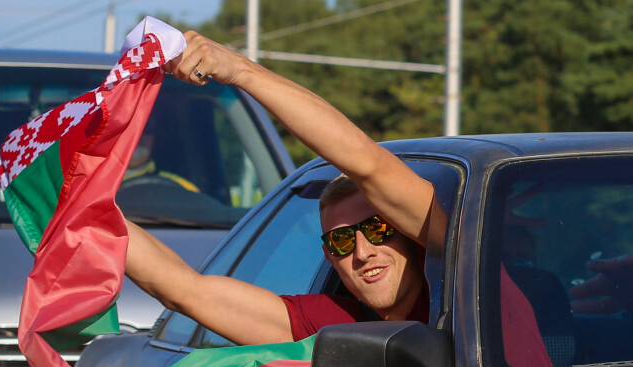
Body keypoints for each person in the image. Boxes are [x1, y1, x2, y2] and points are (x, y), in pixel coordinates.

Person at [124, 31, 437, 346]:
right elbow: (185, 291)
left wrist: (240, 70)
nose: (363, 252)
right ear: (330, 257)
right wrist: (81, 203)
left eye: (378, 228)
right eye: (341, 240)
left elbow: (368, 164)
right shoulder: (338, 326)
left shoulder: (468, 275)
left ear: (407, 230)